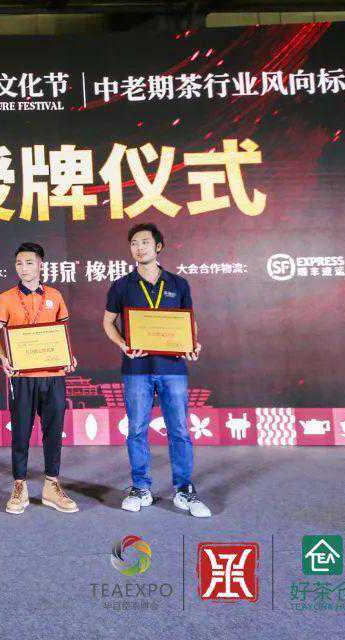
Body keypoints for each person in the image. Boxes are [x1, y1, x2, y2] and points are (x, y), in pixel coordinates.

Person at [102, 222, 211, 518]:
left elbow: (189, 322)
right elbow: (108, 322)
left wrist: (192, 344)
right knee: (137, 429)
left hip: (173, 367)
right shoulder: (121, 285)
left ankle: (184, 489)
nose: (139, 248)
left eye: (145, 242)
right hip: (136, 368)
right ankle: (140, 487)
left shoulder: (178, 284)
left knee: (179, 430)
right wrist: (123, 345)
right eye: (134, 243)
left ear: (158, 246)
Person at [0, 242, 78, 515]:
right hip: (22, 377)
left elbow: (63, 334)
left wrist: (69, 356)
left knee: (54, 431)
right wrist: (4, 358)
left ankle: (52, 486)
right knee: (21, 432)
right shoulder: (6, 298)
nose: (24, 268)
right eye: (19, 263)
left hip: (53, 376)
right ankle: (20, 486)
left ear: (41, 265)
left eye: (29, 262)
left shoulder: (55, 295)